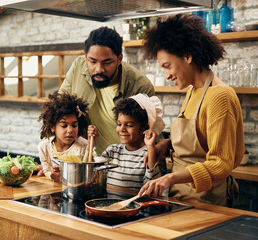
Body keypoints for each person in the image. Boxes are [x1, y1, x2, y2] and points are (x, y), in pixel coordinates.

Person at [137, 14, 244, 206]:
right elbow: (200, 142)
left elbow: (221, 163)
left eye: (167, 66)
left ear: (187, 56)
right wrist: (167, 144)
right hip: (182, 198)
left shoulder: (219, 96)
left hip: (207, 202)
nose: (167, 75)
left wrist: (170, 178)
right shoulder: (193, 91)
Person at [59, 26, 155, 155]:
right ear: (86, 56)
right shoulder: (78, 66)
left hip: (129, 162)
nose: (99, 69)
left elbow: (150, 132)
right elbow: (59, 110)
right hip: (89, 158)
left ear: (119, 59)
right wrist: (54, 156)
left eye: (107, 62)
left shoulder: (140, 85)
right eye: (92, 61)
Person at [89, 93, 165, 192]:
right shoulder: (112, 151)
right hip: (109, 206)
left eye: (129, 125)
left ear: (145, 128)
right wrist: (91, 144)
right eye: (119, 124)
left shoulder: (149, 154)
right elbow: (92, 177)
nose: (122, 129)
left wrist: (150, 148)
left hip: (137, 207)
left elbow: (151, 189)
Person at [37, 93, 89, 182]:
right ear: (52, 127)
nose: (70, 130)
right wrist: (53, 175)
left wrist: (63, 178)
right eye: (64, 126)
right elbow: (47, 170)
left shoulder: (84, 145)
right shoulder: (43, 147)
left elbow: (87, 174)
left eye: (74, 125)